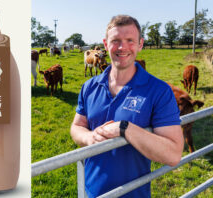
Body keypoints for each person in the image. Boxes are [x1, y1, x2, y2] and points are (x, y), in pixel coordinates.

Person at [70, 15, 184, 198]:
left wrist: (124, 128)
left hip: (134, 193)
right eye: (116, 41)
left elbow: (173, 155)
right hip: (91, 191)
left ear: (140, 44)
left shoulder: (159, 91)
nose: (122, 47)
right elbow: (77, 126)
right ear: (106, 45)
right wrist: (90, 137)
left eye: (130, 40)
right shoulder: (89, 86)